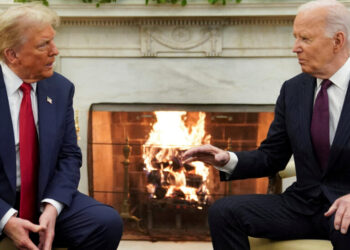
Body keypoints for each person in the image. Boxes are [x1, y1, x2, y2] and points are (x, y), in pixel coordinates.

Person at [182, 0, 350, 249]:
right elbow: (272, 156)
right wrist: (226, 159)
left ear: (337, 41)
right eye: (295, 38)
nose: (295, 48)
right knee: (224, 212)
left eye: (305, 39)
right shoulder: (293, 90)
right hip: (302, 205)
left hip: (346, 208)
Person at [0, 4, 123, 250]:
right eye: (43, 45)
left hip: (42, 196)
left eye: (53, 42)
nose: (55, 51)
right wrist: (5, 219)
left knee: (105, 222)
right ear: (12, 54)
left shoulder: (60, 88)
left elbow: (69, 156)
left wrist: (53, 206)